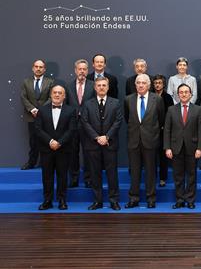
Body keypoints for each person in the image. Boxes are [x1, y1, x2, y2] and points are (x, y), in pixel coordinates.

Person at [81, 77, 123, 211]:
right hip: (93, 145)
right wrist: (96, 137)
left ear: (108, 87)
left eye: (104, 85)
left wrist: (107, 136)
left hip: (110, 144)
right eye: (98, 85)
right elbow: (85, 122)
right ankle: (97, 201)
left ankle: (114, 201)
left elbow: (118, 121)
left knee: (112, 174)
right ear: (95, 87)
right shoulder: (87, 104)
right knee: (95, 174)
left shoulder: (116, 103)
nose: (101, 87)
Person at [124, 74, 165, 209]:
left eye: (143, 83)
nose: (141, 85)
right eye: (138, 83)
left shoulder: (157, 99)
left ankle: (151, 198)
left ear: (149, 85)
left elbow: (161, 120)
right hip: (134, 141)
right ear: (135, 85)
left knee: (150, 171)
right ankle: (133, 198)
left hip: (151, 140)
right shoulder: (128, 99)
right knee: (134, 171)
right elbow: (127, 118)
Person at [35, 85, 77, 210]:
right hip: (46, 149)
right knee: (46, 176)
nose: (57, 95)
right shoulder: (42, 110)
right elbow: (38, 129)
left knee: (62, 175)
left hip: (63, 149)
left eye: (60, 93)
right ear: (51, 95)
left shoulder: (71, 110)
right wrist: (50, 141)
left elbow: (72, 130)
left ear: (64, 96)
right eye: (55, 92)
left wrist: (59, 142)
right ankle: (47, 200)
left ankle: (62, 200)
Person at [164, 83, 201, 210]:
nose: (184, 94)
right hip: (176, 148)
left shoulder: (198, 109)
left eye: (186, 92)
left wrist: (200, 148)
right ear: (177, 94)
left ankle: (190, 200)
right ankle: (180, 200)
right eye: (181, 92)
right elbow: (167, 131)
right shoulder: (171, 110)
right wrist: (167, 147)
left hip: (192, 148)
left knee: (192, 175)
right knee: (178, 176)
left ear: (191, 94)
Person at [66, 59, 95, 188]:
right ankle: (74, 178)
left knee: (88, 152)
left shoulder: (93, 85)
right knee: (73, 152)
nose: (82, 71)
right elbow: (66, 106)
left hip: (88, 125)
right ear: (75, 70)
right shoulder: (68, 86)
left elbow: (95, 104)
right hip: (72, 125)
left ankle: (88, 178)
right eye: (79, 69)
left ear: (87, 71)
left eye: (84, 69)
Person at [20, 59, 54, 170]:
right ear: (33, 68)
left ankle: (45, 163)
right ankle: (31, 162)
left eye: (41, 67)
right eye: (36, 66)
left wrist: (41, 111)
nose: (38, 69)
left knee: (46, 140)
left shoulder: (50, 82)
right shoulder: (26, 82)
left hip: (45, 116)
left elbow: (51, 98)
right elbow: (23, 97)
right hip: (31, 116)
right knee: (33, 141)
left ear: (44, 69)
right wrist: (32, 110)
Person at [152, 74, 174, 187]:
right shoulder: (150, 96)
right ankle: (152, 178)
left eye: (159, 83)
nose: (157, 85)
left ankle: (162, 178)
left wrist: (165, 126)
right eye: (155, 83)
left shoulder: (168, 97)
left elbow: (171, 114)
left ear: (163, 84)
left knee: (163, 156)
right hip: (151, 131)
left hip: (164, 130)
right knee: (151, 156)